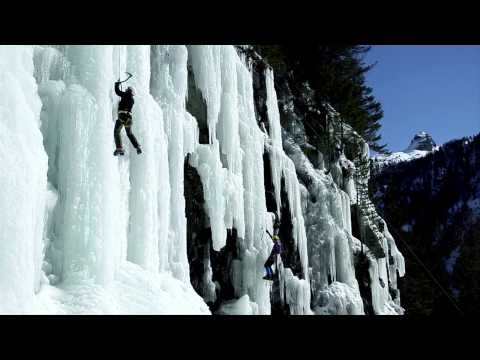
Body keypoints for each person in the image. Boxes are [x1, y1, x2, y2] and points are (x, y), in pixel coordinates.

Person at [113, 80, 142, 156]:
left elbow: (118, 92)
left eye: (127, 89)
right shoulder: (132, 100)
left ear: (129, 91)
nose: (126, 90)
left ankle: (119, 148)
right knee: (129, 134)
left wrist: (117, 84)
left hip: (122, 116)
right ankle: (137, 146)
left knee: (116, 132)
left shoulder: (126, 94)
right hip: (129, 119)